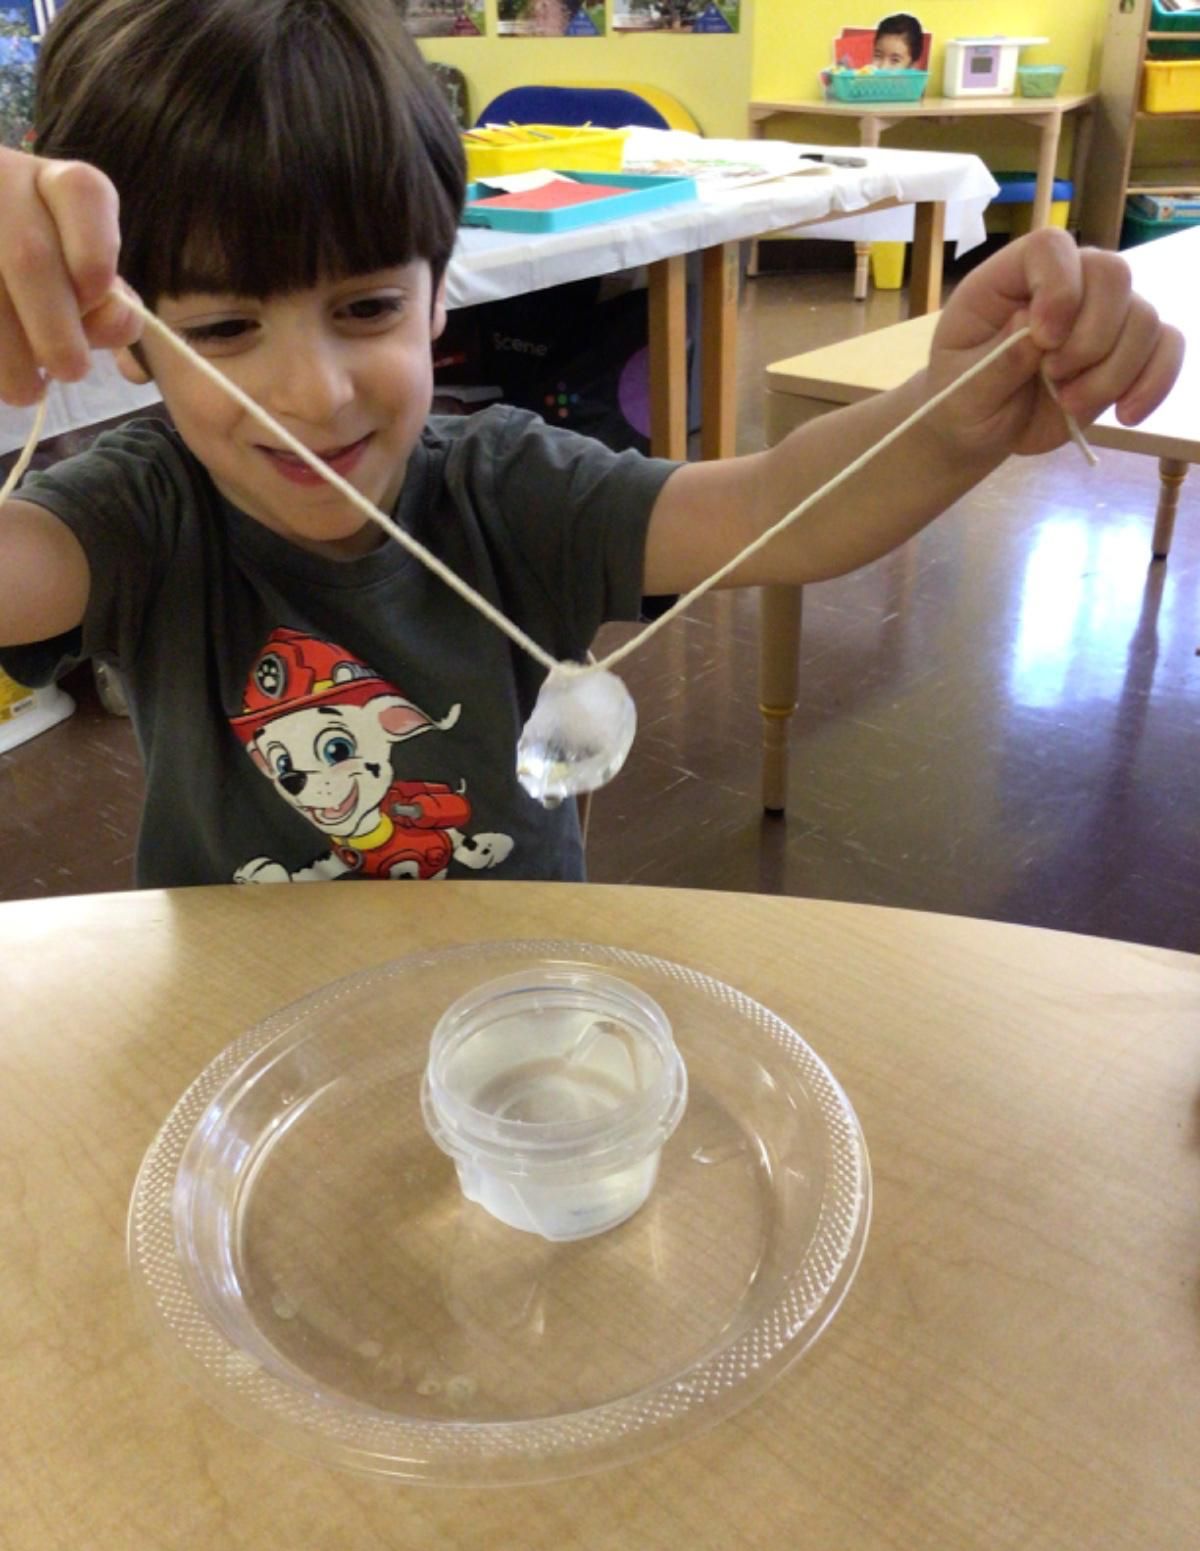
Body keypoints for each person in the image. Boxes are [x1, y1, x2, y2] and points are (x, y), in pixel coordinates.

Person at [0, 0, 1183, 891]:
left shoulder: (504, 487)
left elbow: (780, 505)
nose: (309, 393)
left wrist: (950, 412)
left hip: (512, 1013)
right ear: (133, 346)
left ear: (438, 298)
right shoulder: (139, 514)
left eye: (366, 308)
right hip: (242, 1034)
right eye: (221, 332)